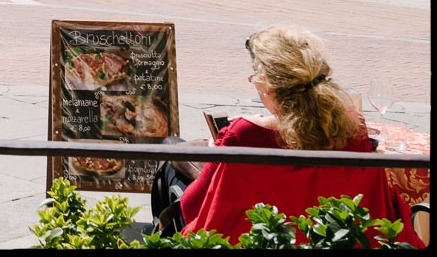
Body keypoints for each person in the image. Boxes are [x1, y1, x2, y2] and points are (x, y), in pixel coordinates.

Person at [177, 26, 420, 244]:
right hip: (336, 240)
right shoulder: (353, 127)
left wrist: (216, 152)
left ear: (267, 84)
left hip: (263, 241)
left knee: (174, 170)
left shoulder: (245, 133)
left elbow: (192, 207)